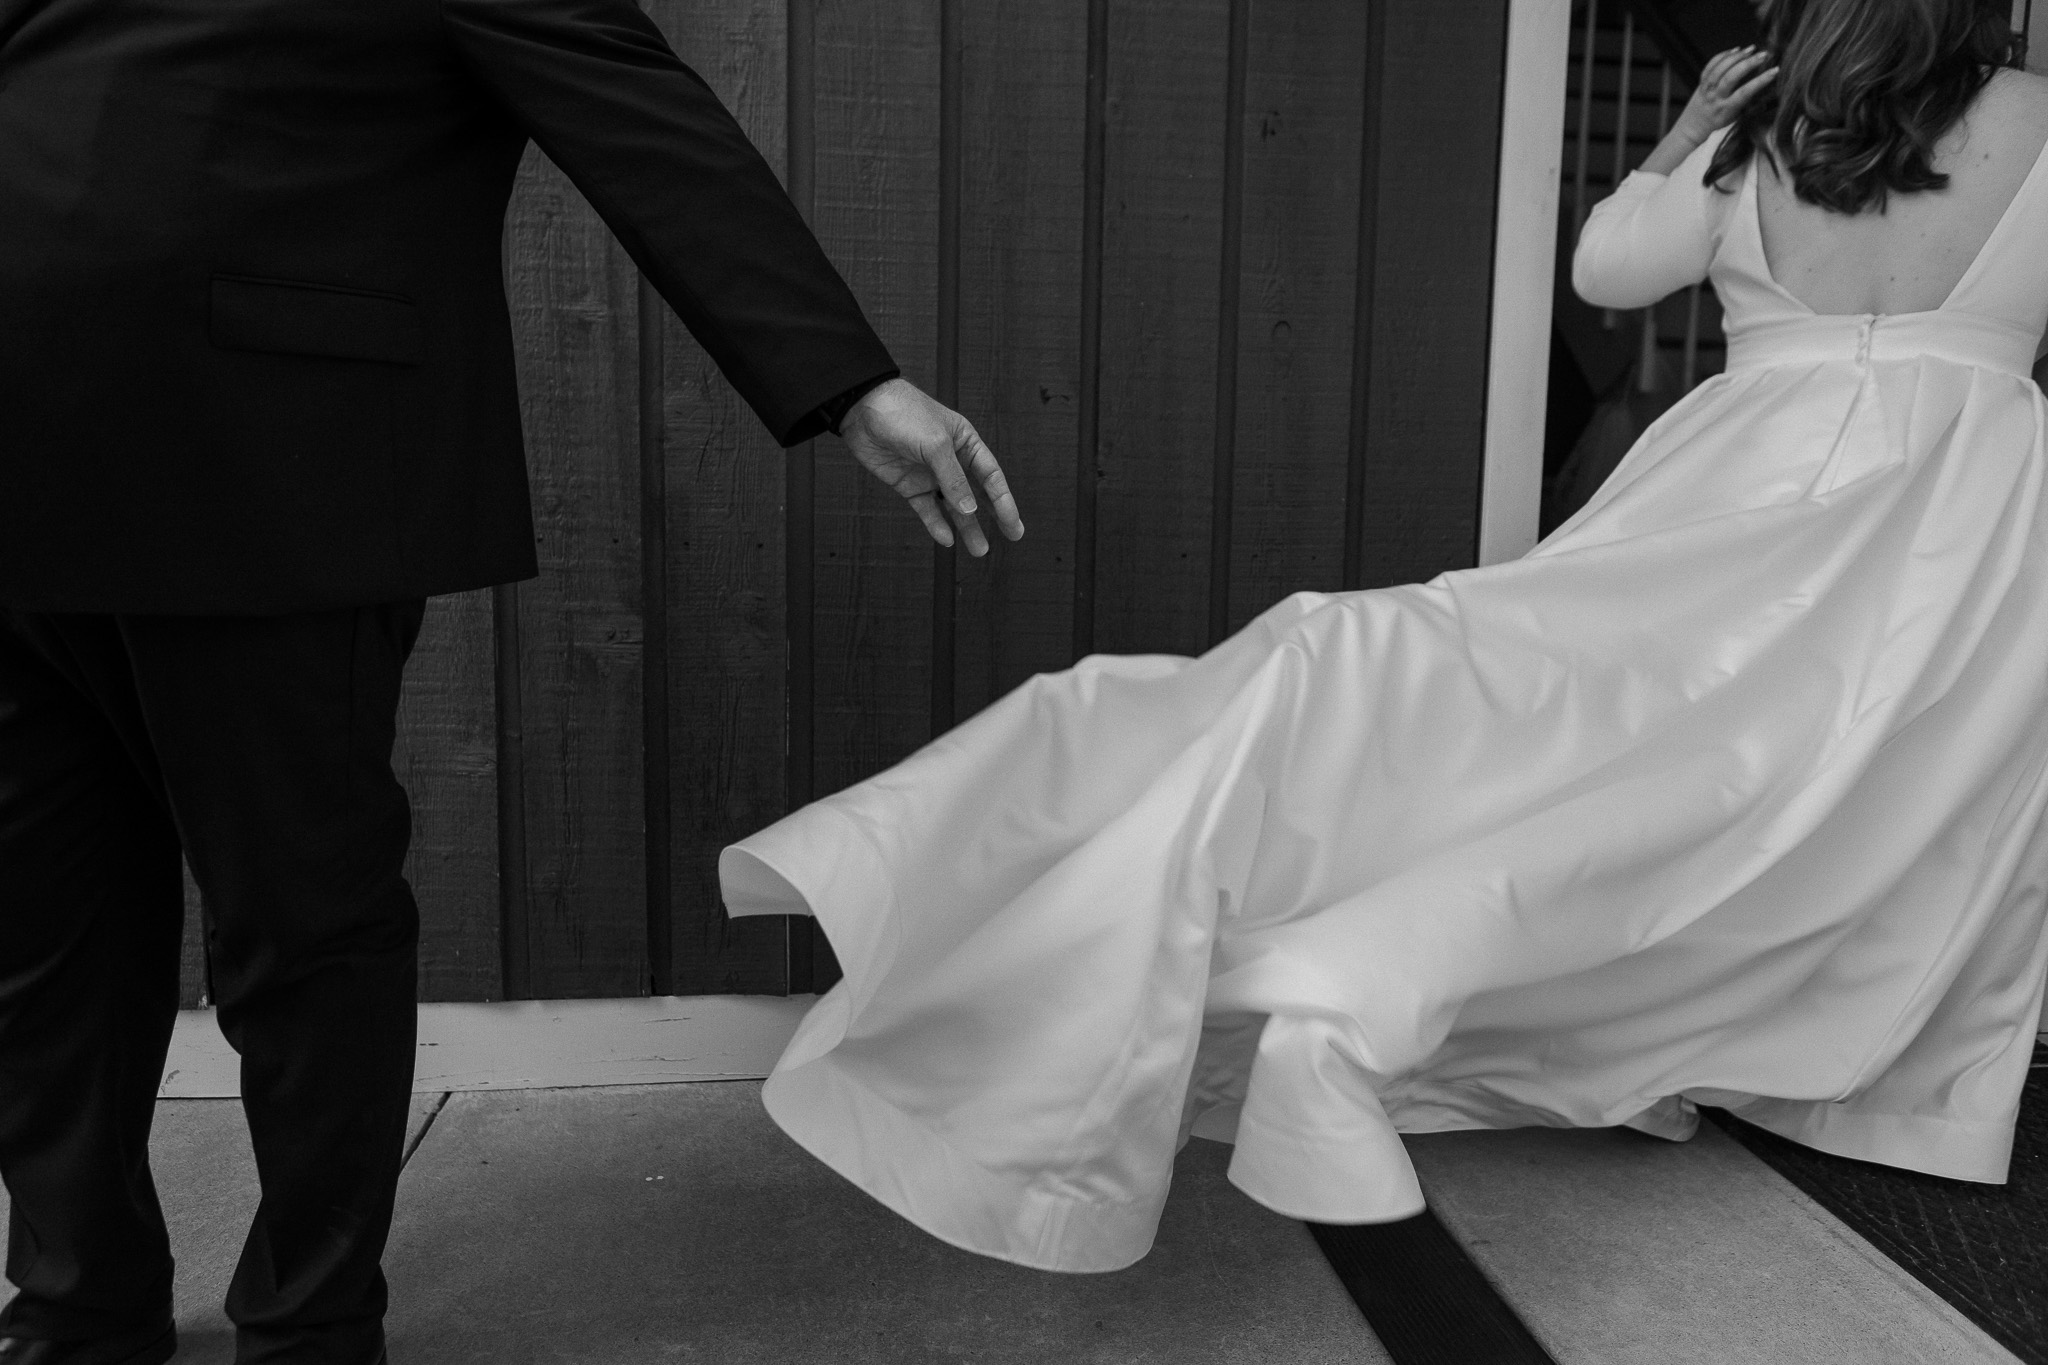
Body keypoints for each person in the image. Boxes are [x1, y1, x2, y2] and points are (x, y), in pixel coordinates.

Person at [721, 0, 2048, 1273]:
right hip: (1957, 513)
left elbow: (1610, 269)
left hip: (1737, 485)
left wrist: (1679, 135)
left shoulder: (1761, 129)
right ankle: (1800, 1071)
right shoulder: (2036, 119)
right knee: (1843, 795)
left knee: (1575, 745)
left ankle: (1241, 939)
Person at [0, 0, 1023, 1361]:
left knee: (299, 925)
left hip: (268, 458)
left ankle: (309, 1326)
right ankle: (77, 1310)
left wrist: (849, 383)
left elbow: (640, 114)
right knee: (45, 934)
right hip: (22, 449)